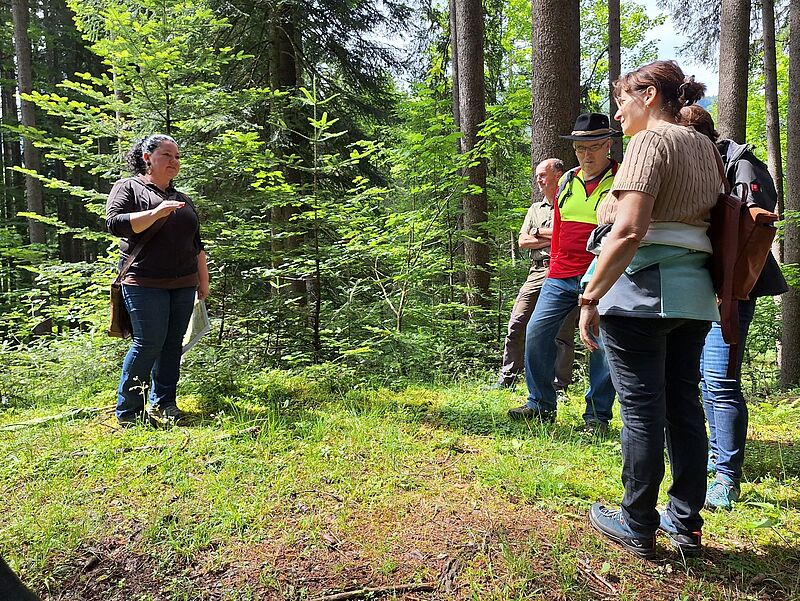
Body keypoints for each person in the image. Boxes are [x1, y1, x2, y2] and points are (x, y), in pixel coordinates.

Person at [579, 61, 720, 558]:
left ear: (650, 95)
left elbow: (630, 229)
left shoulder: (649, 143)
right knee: (684, 406)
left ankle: (637, 523)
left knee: (641, 411)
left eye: (622, 100)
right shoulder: (705, 146)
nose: (618, 114)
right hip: (694, 297)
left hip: (640, 291)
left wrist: (591, 294)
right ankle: (686, 526)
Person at [680, 105, 789, 511]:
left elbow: (755, 227)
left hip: (733, 290)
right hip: (695, 284)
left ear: (703, 139)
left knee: (721, 380)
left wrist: (730, 287)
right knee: (700, 380)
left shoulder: (741, 165)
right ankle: (709, 459)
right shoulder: (696, 164)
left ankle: (726, 477)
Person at [509, 113, 619, 434]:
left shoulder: (622, 180)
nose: (587, 154)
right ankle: (540, 404)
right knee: (536, 333)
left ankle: (597, 416)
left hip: (602, 276)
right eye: (581, 148)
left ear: (608, 145)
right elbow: (558, 228)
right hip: (560, 274)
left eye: (595, 147)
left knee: (599, 345)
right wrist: (555, 259)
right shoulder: (568, 180)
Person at [106, 135, 209, 428]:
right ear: (147, 157)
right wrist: (153, 214)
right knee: (148, 342)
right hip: (143, 281)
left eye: (177, 156)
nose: (174, 162)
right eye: (167, 155)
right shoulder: (129, 188)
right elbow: (114, 223)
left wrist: (203, 279)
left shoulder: (183, 198)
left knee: (172, 345)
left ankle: (164, 403)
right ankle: (129, 413)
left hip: (184, 283)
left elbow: (196, 243)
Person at [494, 158, 577, 393]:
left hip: (563, 269)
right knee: (517, 322)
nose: (538, 180)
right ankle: (508, 376)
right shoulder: (535, 209)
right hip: (537, 271)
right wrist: (553, 236)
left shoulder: (571, 203)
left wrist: (539, 232)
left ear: (557, 175)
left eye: (542, 175)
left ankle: (559, 386)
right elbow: (522, 241)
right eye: (538, 175)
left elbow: (570, 235)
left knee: (562, 333)